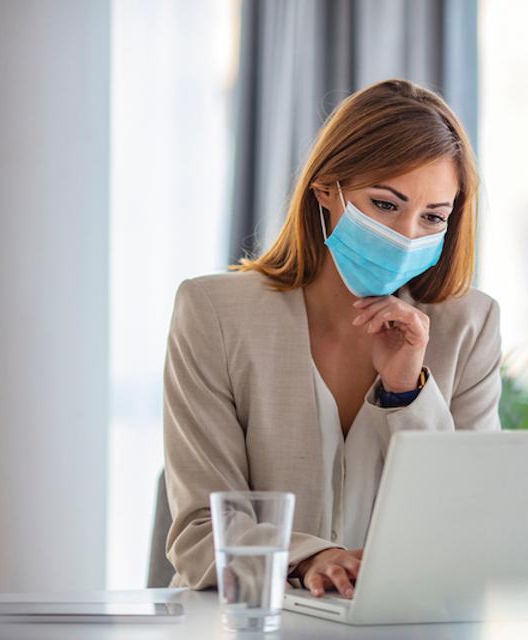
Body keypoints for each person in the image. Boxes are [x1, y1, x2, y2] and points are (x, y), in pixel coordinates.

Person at [163, 79, 502, 599]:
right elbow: (200, 534)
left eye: (433, 216)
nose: (407, 234)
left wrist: (406, 390)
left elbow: (470, 524)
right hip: (255, 622)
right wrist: (313, 558)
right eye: (385, 205)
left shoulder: (469, 325)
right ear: (326, 189)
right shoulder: (214, 314)